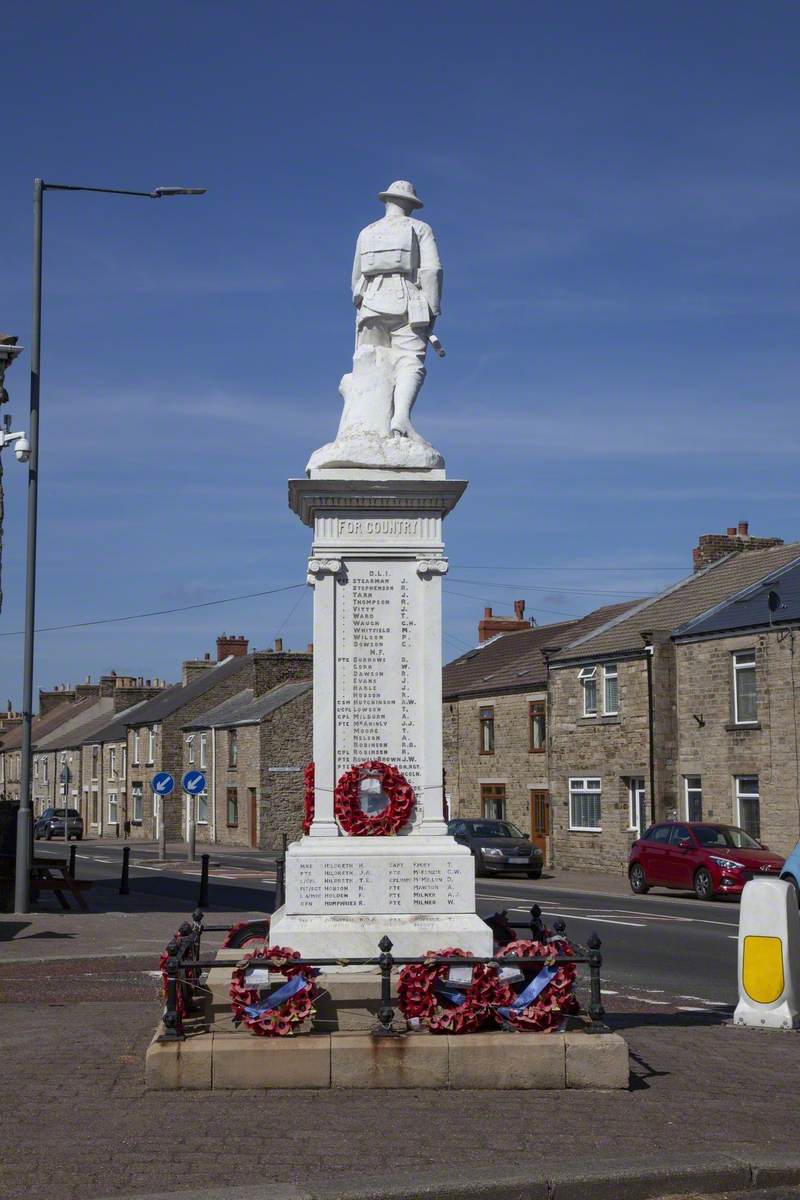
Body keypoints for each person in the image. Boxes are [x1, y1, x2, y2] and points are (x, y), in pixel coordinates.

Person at [351, 181, 442, 439]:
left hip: (370, 304)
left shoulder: (366, 232)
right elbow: (432, 270)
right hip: (407, 302)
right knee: (410, 360)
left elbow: (355, 277)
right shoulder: (419, 228)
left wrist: (362, 305)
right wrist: (432, 309)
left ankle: (365, 426)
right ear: (410, 205)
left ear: (388, 202)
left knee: (370, 361)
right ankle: (400, 418)